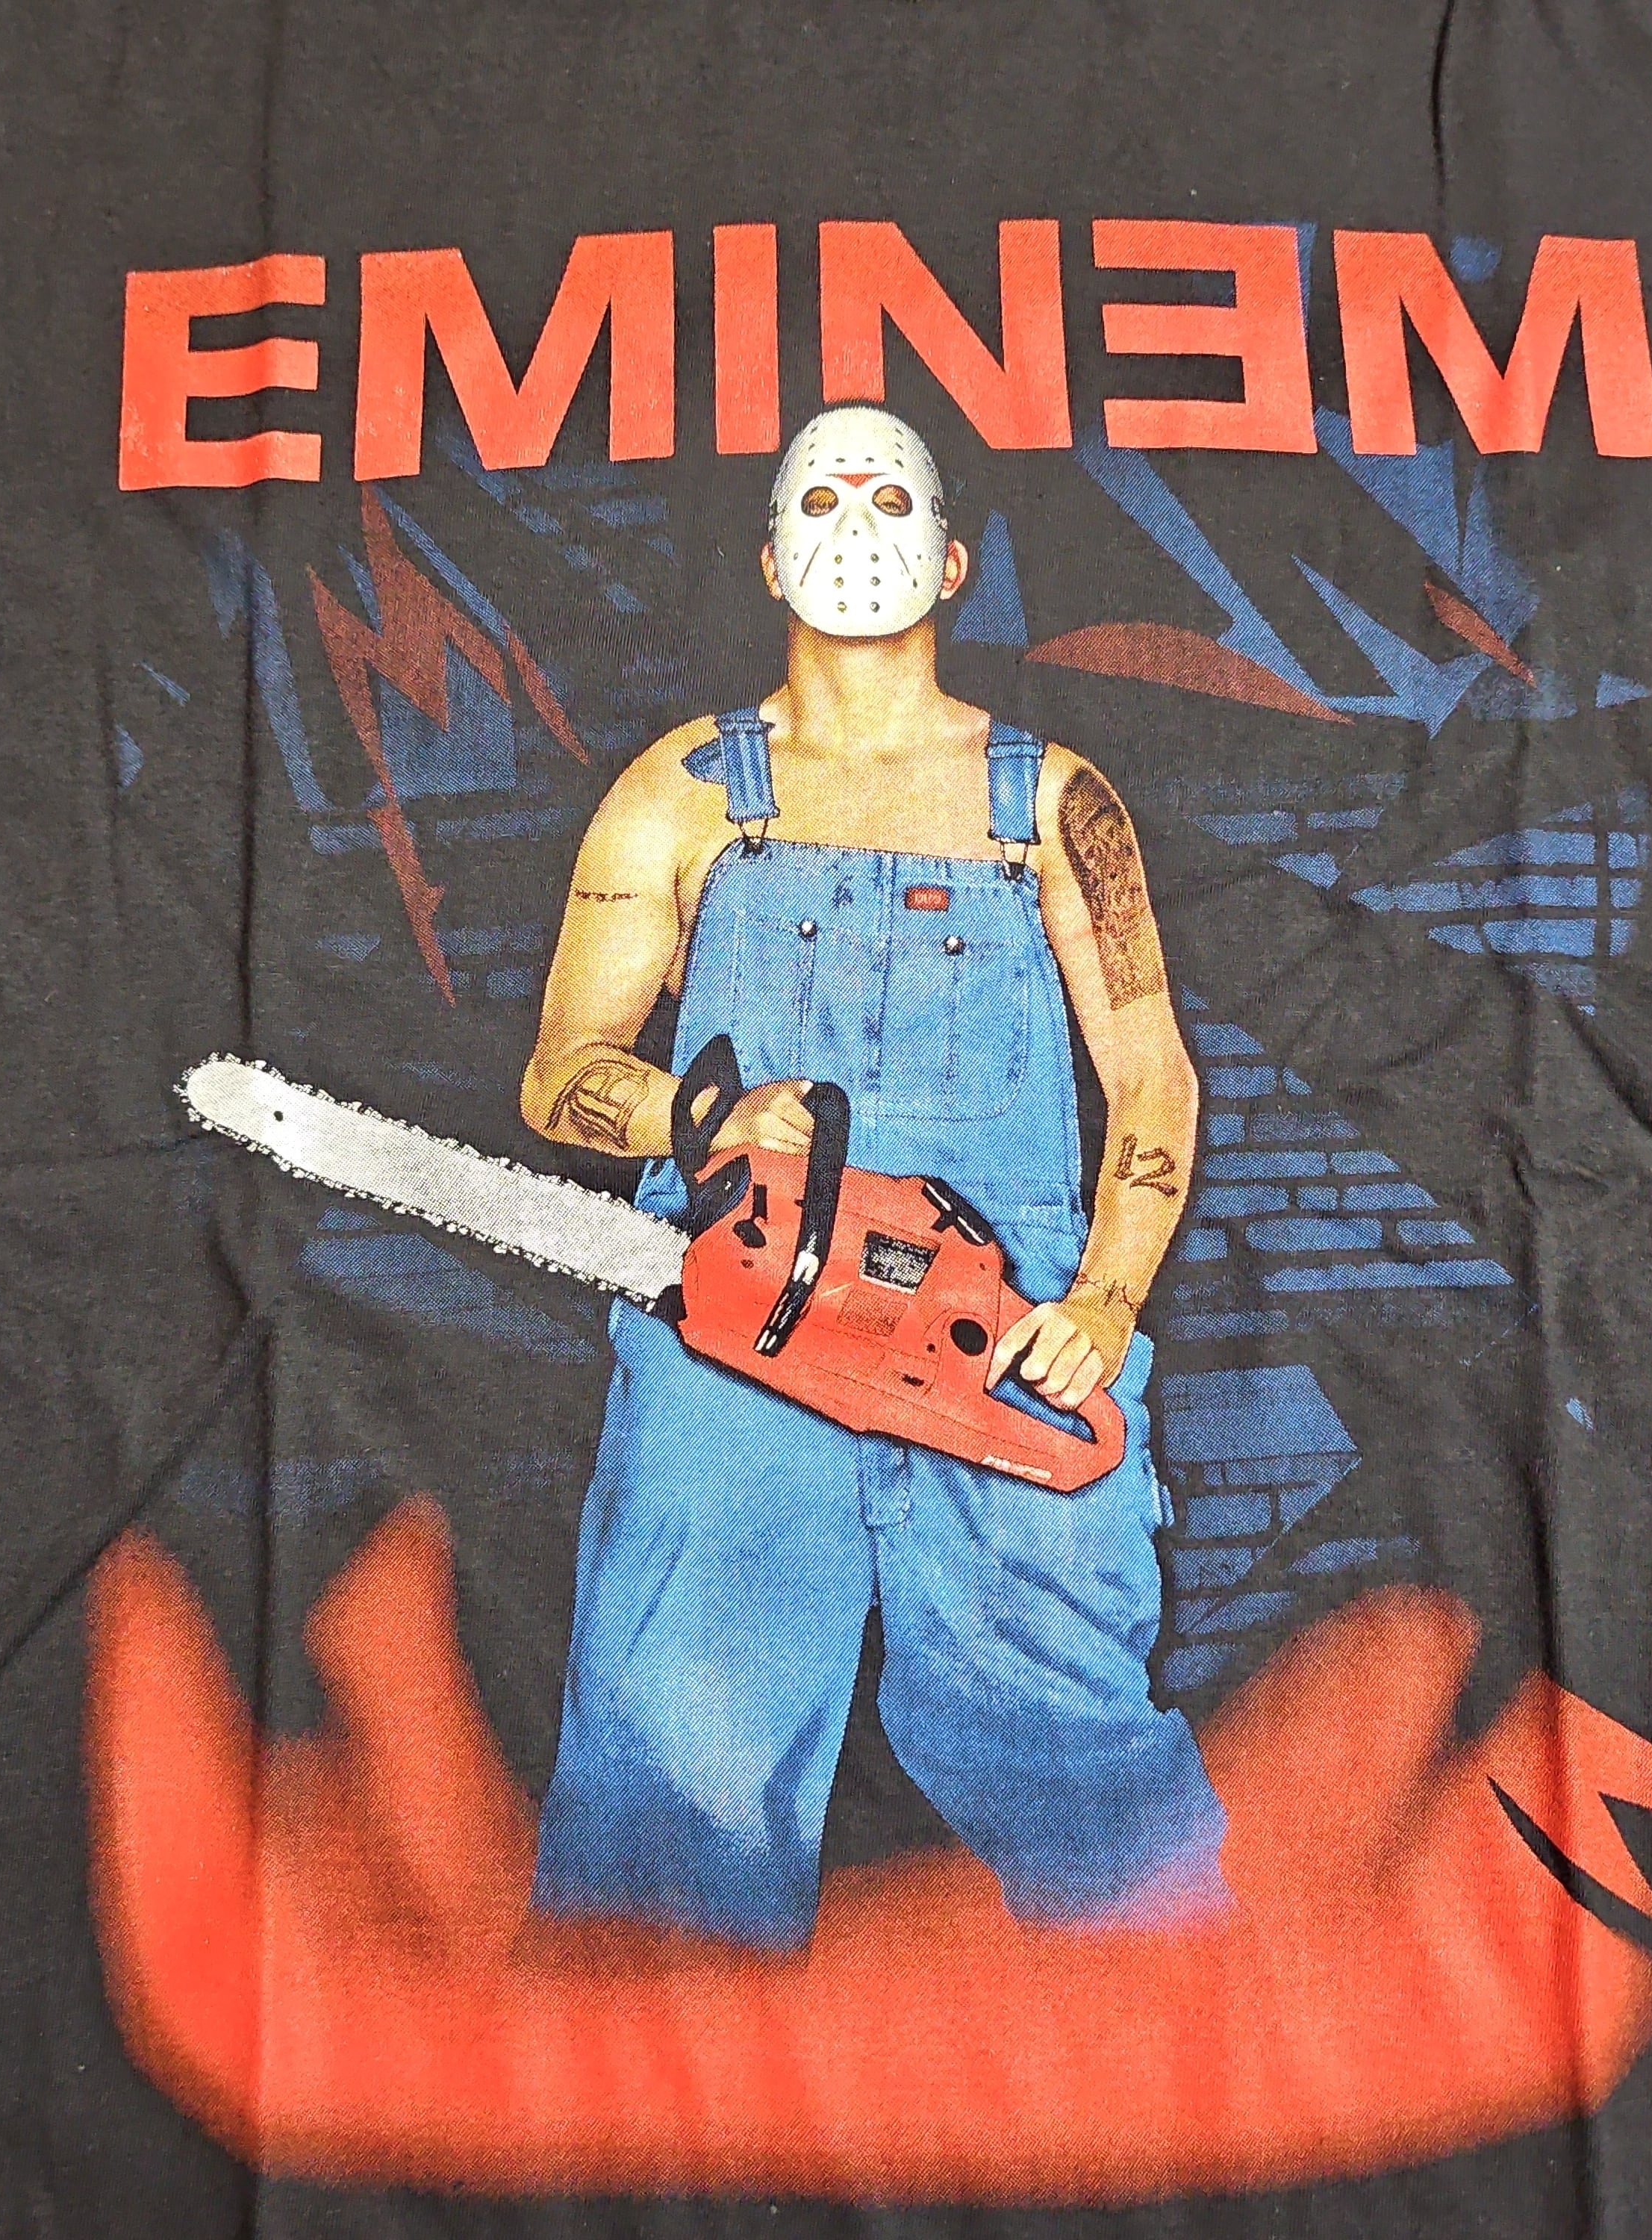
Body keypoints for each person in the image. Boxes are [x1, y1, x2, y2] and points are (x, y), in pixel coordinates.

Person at [518, 405, 1224, 1949]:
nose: (855, 526)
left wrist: (1106, 1301)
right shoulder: (681, 793)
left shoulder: (1055, 803)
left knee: (1076, 1755)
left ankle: (1191, 2065)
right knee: (674, 1771)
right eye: (821, 499)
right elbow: (560, 1073)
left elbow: (1153, 1075)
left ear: (953, 560)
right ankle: (644, 2081)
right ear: (771, 559)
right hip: (736, 1332)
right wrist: (698, 1119)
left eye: (889, 499)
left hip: (1005, 1325)